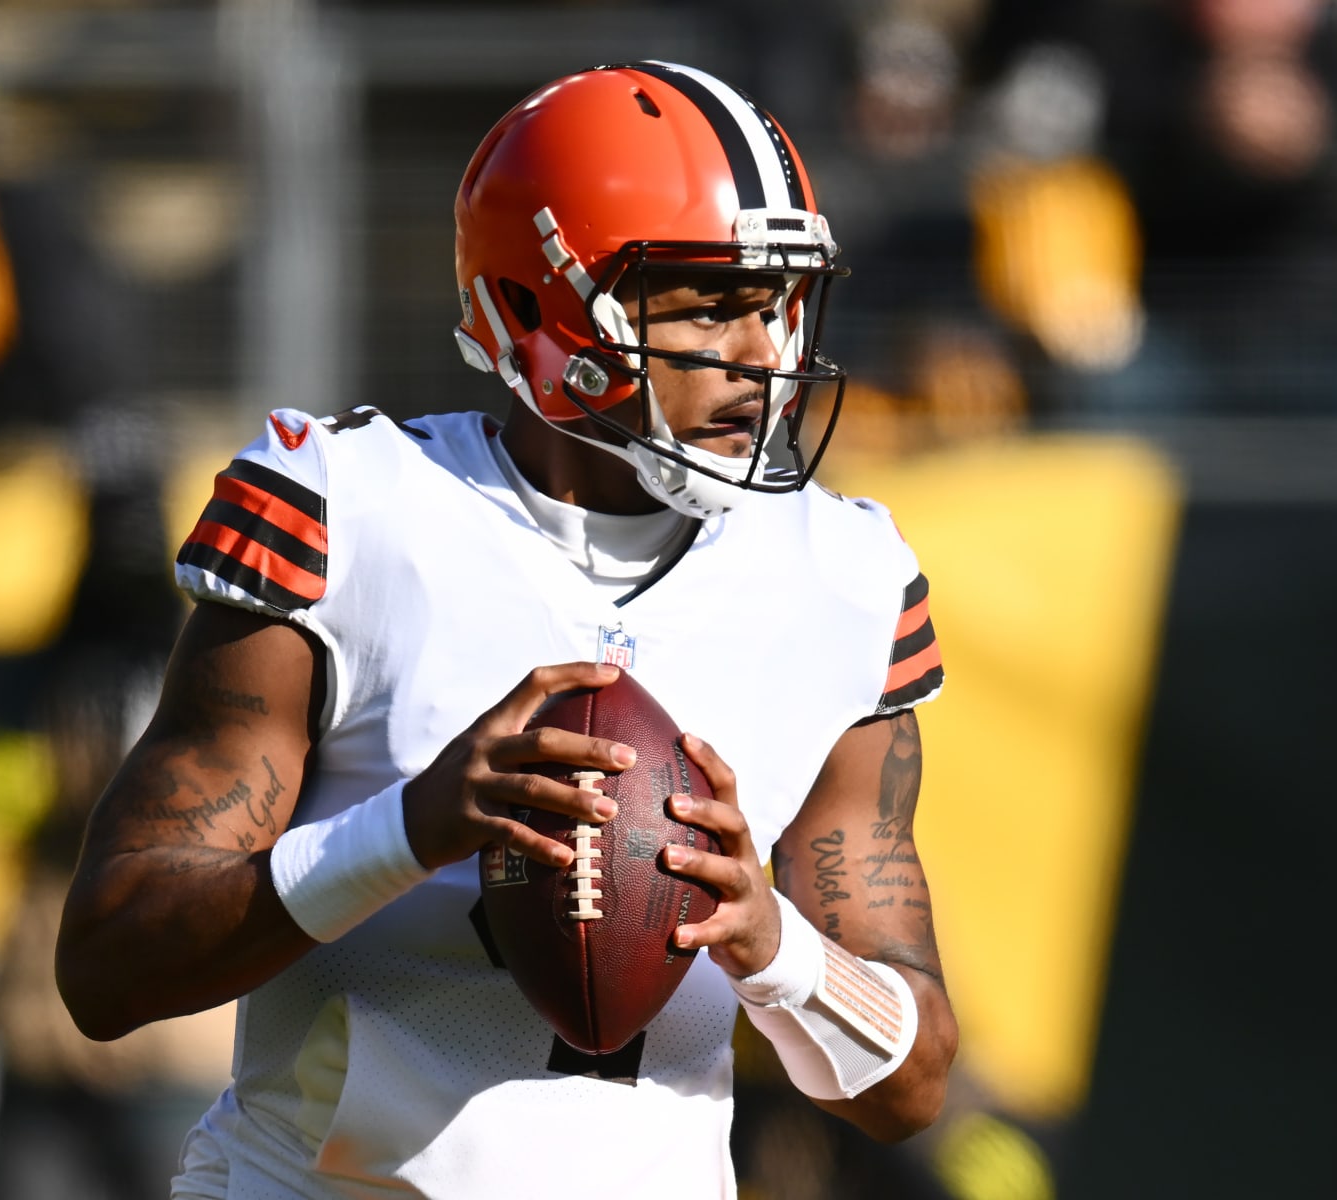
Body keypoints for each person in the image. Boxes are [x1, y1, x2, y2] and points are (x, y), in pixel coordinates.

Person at [55, 60, 958, 1198]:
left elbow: (911, 1085)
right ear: (540, 310)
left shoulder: (845, 578)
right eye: (711, 303)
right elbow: (106, 964)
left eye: (778, 304)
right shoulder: (350, 513)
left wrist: (772, 945)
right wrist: (412, 828)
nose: (765, 357)